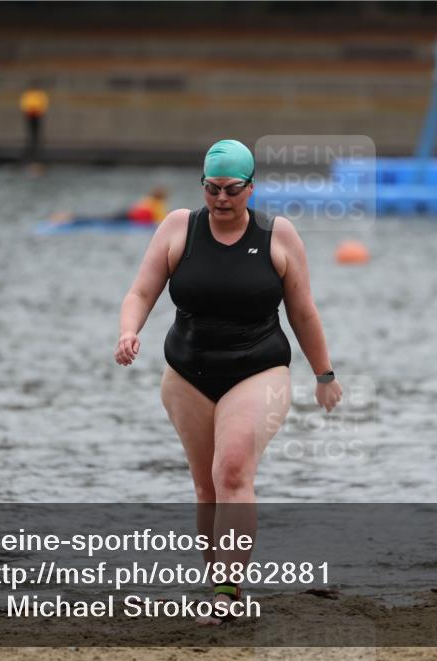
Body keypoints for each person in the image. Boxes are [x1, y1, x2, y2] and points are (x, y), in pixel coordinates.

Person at [114, 139, 342, 623]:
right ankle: (218, 581)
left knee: (232, 472)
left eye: (232, 190)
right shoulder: (179, 227)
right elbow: (140, 290)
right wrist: (129, 331)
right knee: (206, 488)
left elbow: (303, 311)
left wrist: (324, 373)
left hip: (258, 370)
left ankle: (227, 593)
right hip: (187, 375)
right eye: (212, 188)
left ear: (251, 188)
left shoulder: (278, 236)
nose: (220, 199)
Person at [49, 186, 168, 226]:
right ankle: (68, 217)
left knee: (100, 218)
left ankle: (68, 216)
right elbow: (161, 219)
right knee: (98, 220)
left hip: (126, 214)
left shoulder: (148, 200)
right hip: (127, 218)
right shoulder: (157, 204)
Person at [19, 87, 49, 162]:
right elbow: (24, 104)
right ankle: (31, 145)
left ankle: (37, 145)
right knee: (31, 130)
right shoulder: (28, 94)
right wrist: (28, 110)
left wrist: (39, 111)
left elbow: (44, 103)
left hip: (37, 114)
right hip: (30, 114)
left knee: (37, 130)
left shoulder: (39, 94)